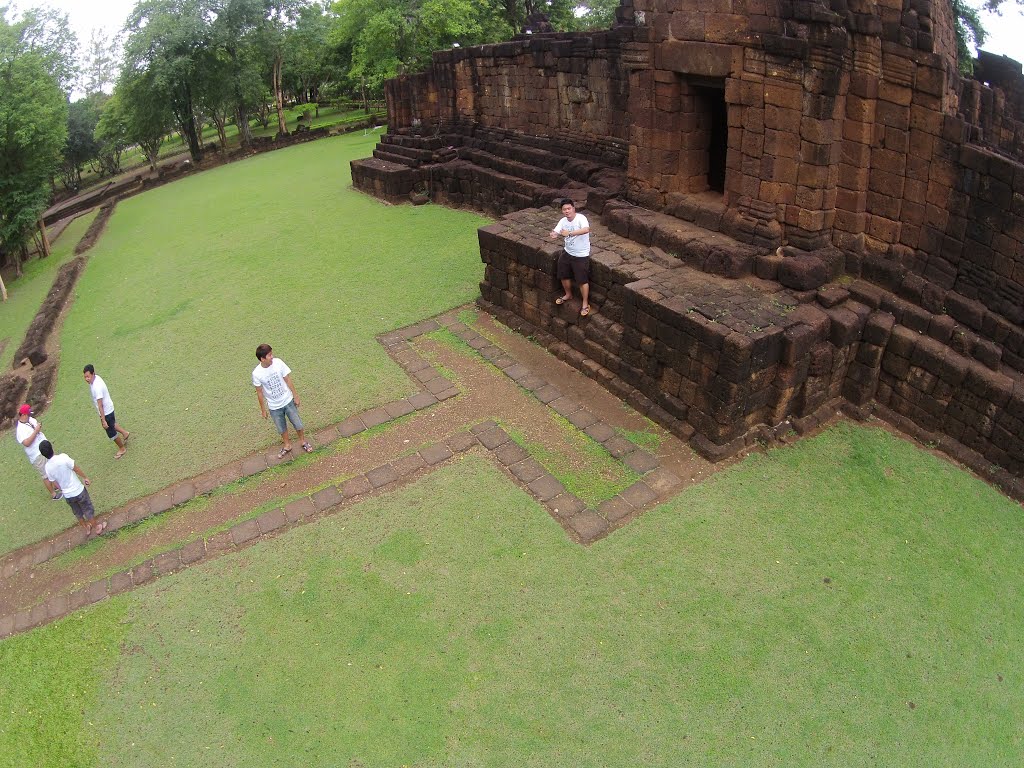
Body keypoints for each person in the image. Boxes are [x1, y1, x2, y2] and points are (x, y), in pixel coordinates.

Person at [252, 343, 311, 459]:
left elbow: (287, 379)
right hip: (274, 406)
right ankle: (287, 445)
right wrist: (263, 410)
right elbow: (259, 392)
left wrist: (295, 395)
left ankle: (303, 442)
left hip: (287, 400)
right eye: (269, 355)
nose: (272, 357)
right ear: (262, 359)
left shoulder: (278, 363)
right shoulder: (257, 373)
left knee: (297, 423)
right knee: (281, 428)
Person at [39, 440, 106, 536]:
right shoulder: (63, 457)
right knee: (87, 509)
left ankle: (87, 528)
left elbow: (54, 482)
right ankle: (97, 527)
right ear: (52, 448)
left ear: (43, 455)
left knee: (77, 512)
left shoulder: (47, 467)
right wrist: (85, 477)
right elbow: (76, 468)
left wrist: (62, 489)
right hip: (78, 490)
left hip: (68, 495)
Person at [549, 198, 592, 317]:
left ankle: (585, 303)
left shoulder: (581, 218)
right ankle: (568, 294)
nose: (567, 211)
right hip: (568, 252)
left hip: (581, 254)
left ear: (573, 208)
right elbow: (557, 231)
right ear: (562, 211)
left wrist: (570, 233)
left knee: (582, 280)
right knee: (563, 274)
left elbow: (586, 229)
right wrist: (554, 234)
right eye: (564, 209)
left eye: (569, 208)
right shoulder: (563, 221)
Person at [14, 404, 62, 500]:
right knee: (45, 474)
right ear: (23, 415)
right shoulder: (20, 430)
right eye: (28, 414)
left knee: (52, 467)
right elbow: (26, 443)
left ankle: (57, 486)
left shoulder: (31, 420)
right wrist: (35, 431)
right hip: (36, 454)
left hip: (45, 448)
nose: (30, 416)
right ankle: (54, 495)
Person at [83, 364, 130, 459]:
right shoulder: (96, 379)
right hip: (109, 408)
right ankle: (125, 433)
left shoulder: (97, 387)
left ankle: (122, 448)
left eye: (88, 376)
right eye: (85, 377)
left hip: (106, 411)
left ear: (93, 374)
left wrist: (103, 420)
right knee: (112, 424)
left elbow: (100, 405)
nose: (87, 379)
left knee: (111, 432)